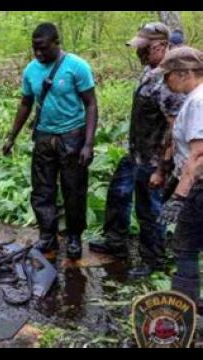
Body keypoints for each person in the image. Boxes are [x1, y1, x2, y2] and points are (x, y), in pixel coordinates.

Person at [88, 22, 186, 276]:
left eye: (145, 48)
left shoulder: (170, 82)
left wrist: (163, 169)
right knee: (118, 195)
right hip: (136, 152)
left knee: (150, 210)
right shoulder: (150, 71)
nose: (139, 53)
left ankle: (153, 260)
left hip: (154, 159)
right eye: (139, 47)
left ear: (163, 46)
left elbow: (175, 130)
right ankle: (116, 242)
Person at [1, 23, 98, 260]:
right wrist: (11, 136)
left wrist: (87, 143)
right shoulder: (31, 70)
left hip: (72, 136)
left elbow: (91, 104)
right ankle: (47, 235)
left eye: (43, 48)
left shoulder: (77, 67)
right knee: (42, 190)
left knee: (73, 190)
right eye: (35, 49)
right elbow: (25, 103)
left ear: (56, 42)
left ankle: (74, 237)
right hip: (44, 136)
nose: (38, 54)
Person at [155, 46, 203, 311]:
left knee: (184, 246)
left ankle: (185, 310)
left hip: (199, 187)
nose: (166, 82)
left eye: (168, 75)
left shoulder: (198, 101)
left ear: (185, 73)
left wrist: (179, 196)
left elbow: (199, 156)